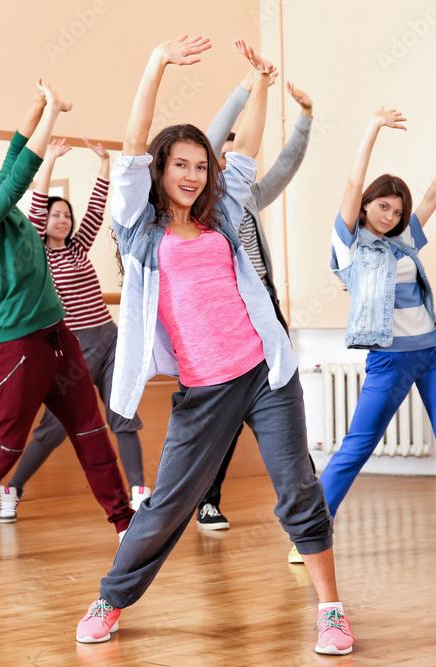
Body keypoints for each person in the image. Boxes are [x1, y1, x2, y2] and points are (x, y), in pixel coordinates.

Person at [74, 36, 354, 656]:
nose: (193, 174)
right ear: (160, 169)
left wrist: (260, 82)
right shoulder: (138, 226)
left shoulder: (223, 213)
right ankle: (111, 596)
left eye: (201, 166)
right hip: (202, 389)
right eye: (181, 165)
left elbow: (249, 147)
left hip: (263, 371)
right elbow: (132, 138)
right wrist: (155, 64)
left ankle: (330, 609)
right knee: (169, 504)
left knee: (298, 488)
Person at [0, 80, 134, 567]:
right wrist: (54, 118)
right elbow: (21, 173)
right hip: (18, 346)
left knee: (90, 428)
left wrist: (42, 104)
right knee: (5, 443)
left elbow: (16, 152)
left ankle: (126, 524)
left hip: (58, 336)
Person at [320, 109, 436, 563]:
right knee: (356, 448)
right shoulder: (349, 244)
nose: (391, 216)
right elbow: (352, 183)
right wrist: (372, 127)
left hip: (434, 353)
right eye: (383, 206)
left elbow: (433, 199)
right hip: (389, 359)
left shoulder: (403, 240)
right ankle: (309, 532)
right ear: (367, 205)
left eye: (397, 210)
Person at [0, 137, 151, 523]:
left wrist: (104, 164)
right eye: (54, 215)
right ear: (43, 224)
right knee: (53, 429)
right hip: (72, 347)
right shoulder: (39, 254)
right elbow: (36, 204)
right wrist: (47, 160)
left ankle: (139, 492)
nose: (61, 219)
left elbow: (97, 210)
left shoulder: (78, 248)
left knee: (123, 412)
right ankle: (12, 488)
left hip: (109, 338)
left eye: (66, 214)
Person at [193, 72, 314, 531]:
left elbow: (286, 163)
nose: (228, 158)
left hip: (266, 303)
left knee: (283, 389)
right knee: (228, 404)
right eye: (219, 154)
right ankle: (208, 500)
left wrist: (305, 117)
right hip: (229, 311)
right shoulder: (200, 206)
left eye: (233, 151)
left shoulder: (250, 196)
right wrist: (246, 87)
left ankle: (305, 482)